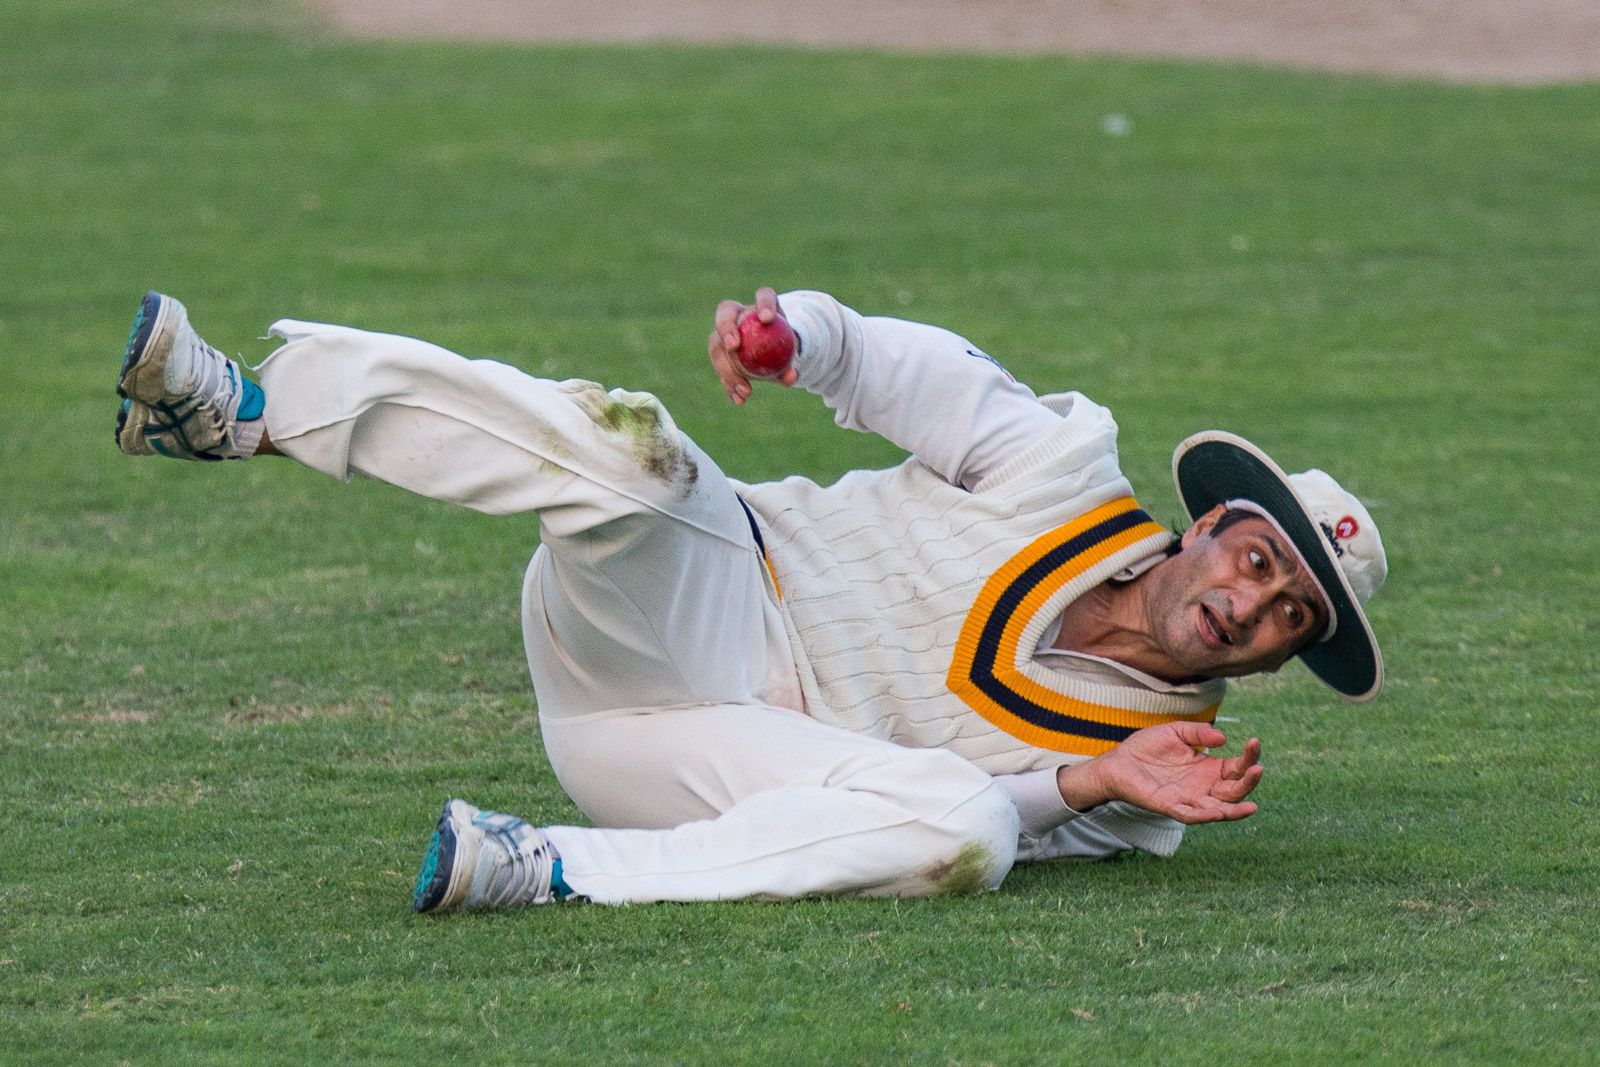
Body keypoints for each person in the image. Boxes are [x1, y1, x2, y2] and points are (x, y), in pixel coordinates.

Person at [112, 286, 1387, 910]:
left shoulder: (1161, 774)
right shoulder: (1062, 466)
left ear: (1281, 661)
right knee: (638, 452)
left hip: (705, 767)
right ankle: (253, 408)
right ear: (1209, 524)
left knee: (968, 830)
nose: (1251, 605)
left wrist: (1092, 781)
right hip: (709, 597)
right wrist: (802, 339)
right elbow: (915, 374)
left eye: (1290, 616)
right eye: (1258, 560)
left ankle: (543, 866)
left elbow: (932, 830)